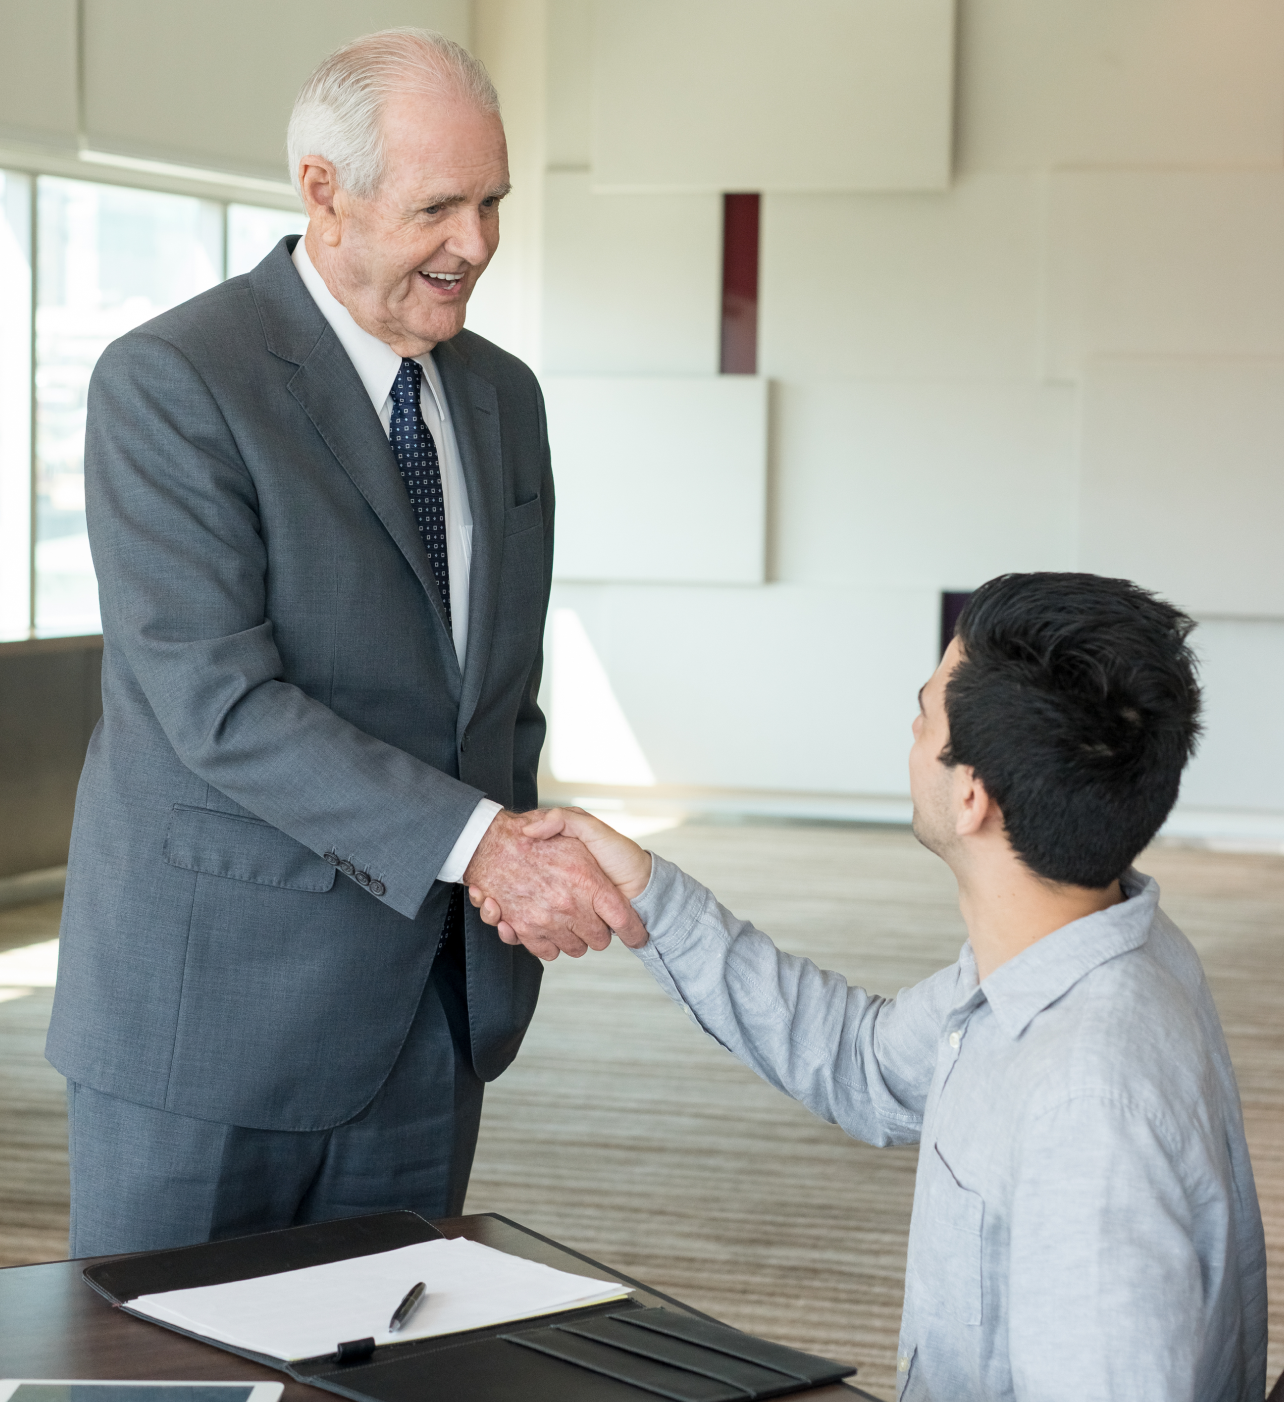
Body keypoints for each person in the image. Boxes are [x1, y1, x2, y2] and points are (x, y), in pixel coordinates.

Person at [47, 28, 642, 1257]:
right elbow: (217, 702)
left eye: (491, 203)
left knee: (404, 1361)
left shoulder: (501, 395)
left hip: (431, 1015)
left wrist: (512, 854)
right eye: (439, 206)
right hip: (212, 1020)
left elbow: (498, 695)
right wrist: (484, 847)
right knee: (173, 1379)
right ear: (323, 190)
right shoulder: (172, 381)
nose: (474, 244)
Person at [478, 573, 1268, 1400]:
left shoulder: (1088, 1111)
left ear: (971, 798)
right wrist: (647, 891)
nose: (914, 725)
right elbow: (865, 1064)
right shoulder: (1082, 943)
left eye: (926, 713)